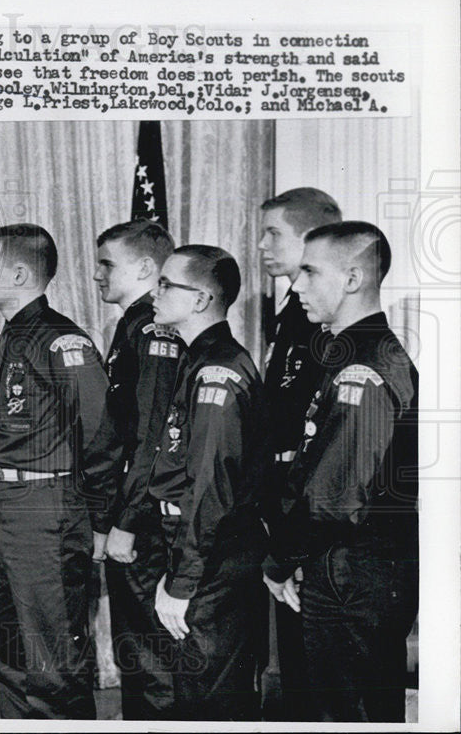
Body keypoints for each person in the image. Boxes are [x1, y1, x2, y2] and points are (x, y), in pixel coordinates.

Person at [262, 222, 418, 722]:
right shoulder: (347, 352)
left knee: (351, 714)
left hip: (356, 573)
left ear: (352, 279)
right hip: (344, 565)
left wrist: (279, 560)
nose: (296, 284)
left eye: (309, 271)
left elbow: (332, 498)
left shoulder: (363, 368)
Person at [0, 223, 121, 719]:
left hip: (46, 511)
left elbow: (101, 437)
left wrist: (99, 521)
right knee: (11, 654)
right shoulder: (9, 338)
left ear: (18, 273)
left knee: (53, 661)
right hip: (6, 508)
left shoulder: (60, 341)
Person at [146, 245, 267, 720]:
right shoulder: (198, 359)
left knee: (212, 698)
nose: (155, 293)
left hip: (215, 558)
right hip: (201, 550)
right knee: (198, 690)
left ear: (200, 300)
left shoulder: (216, 370)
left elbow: (209, 489)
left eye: (166, 285)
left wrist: (184, 581)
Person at [257, 187, 342, 719]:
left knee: (316, 672)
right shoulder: (291, 310)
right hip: (282, 501)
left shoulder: (322, 318)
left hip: (307, 507)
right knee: (293, 662)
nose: (261, 244)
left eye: (274, 234)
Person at [92, 220, 180, 719]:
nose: (97, 275)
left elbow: (152, 438)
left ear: (147, 267)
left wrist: (124, 521)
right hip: (132, 514)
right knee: (138, 653)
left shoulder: (151, 330)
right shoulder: (132, 325)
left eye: (108, 264)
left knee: (151, 659)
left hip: (145, 524)